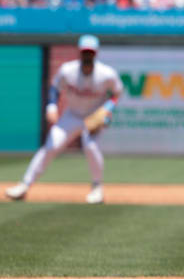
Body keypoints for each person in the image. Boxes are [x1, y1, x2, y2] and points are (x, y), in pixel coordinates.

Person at [5, 35, 123, 204]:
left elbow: (117, 93)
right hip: (72, 115)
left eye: (90, 53)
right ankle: (24, 185)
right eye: (84, 52)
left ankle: (97, 188)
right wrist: (52, 107)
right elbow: (54, 87)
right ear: (79, 53)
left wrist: (107, 110)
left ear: (95, 54)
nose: (87, 56)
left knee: (90, 147)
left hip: (93, 117)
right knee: (51, 146)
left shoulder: (107, 74)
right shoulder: (68, 70)